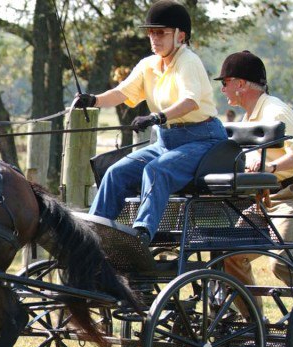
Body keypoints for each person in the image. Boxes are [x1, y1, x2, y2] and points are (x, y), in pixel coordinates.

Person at [75, 0, 227, 247]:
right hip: (167, 141)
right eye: (151, 33)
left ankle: (141, 236)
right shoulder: (149, 65)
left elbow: (190, 101)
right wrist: (93, 100)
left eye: (161, 33)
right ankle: (92, 237)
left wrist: (157, 117)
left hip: (203, 140)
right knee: (116, 173)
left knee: (157, 170)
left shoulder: (188, 61)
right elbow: (121, 93)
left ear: (180, 36)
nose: (154, 38)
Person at [216, 50, 293, 294]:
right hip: (265, 199)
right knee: (232, 256)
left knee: (282, 263)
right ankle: (253, 325)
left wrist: (270, 167)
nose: (222, 89)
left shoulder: (275, 112)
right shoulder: (248, 117)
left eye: (225, 83)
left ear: (240, 84)